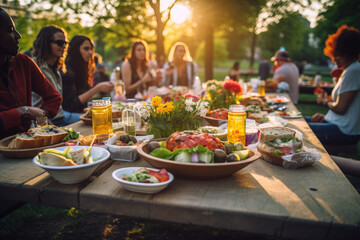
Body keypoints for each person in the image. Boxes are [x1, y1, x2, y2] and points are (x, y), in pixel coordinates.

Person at [0, 8, 61, 138]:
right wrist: (22, 112)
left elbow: (54, 97)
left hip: (26, 142)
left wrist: (42, 115)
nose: (18, 35)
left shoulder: (23, 63)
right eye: (10, 30)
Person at [306, 25, 360, 145]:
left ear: (347, 52)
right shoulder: (350, 69)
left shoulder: (353, 70)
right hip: (336, 123)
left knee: (298, 129)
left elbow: (340, 108)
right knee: (295, 122)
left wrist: (324, 102)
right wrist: (325, 117)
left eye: (337, 54)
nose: (334, 59)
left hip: (345, 131)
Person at [61, 35, 114, 120]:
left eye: (91, 49)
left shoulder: (83, 69)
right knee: (104, 119)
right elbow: (72, 105)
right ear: (76, 50)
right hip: (69, 115)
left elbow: (86, 100)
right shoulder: (67, 72)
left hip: (82, 112)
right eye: (86, 49)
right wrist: (98, 88)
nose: (90, 52)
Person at [31, 25, 68, 126]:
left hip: (61, 117)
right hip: (45, 122)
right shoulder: (34, 66)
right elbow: (36, 108)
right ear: (46, 43)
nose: (64, 46)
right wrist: (53, 130)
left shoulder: (55, 68)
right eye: (60, 42)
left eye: (65, 43)